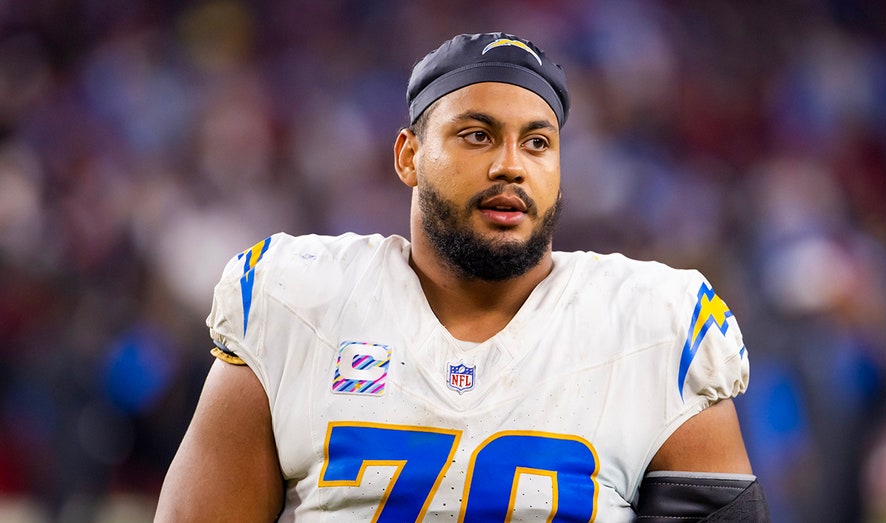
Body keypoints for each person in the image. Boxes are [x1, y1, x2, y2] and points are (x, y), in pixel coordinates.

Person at [155, 32, 769, 522]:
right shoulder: (299, 300)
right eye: (477, 136)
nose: (510, 166)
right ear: (409, 156)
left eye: (537, 143)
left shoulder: (655, 325)